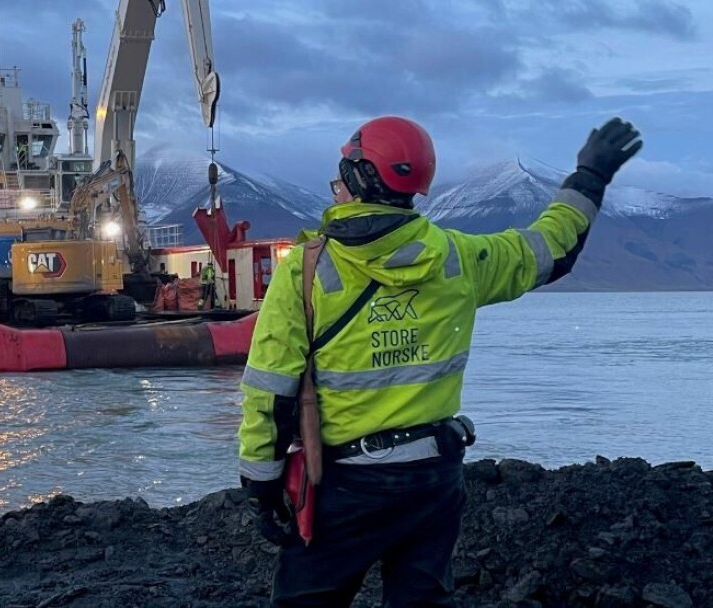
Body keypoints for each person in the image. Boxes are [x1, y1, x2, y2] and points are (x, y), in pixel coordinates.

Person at [237, 116, 642, 606]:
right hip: (435, 479)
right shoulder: (460, 259)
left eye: (342, 175)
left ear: (361, 178)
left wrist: (262, 485)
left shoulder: (305, 272)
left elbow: (270, 392)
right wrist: (590, 176)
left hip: (347, 486)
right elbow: (553, 248)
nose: (338, 187)